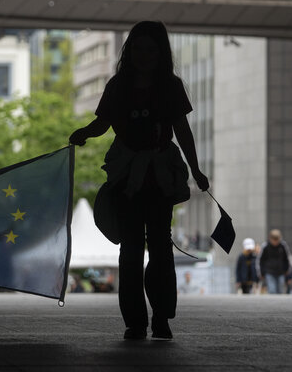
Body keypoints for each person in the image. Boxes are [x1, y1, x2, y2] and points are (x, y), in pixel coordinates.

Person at [69, 20, 209, 340]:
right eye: (138, 48)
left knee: (160, 248)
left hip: (158, 179)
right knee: (131, 250)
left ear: (160, 53)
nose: (143, 55)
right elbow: (102, 123)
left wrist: (197, 169)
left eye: (149, 49)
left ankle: (160, 316)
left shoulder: (171, 86)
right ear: (129, 51)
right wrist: (84, 135)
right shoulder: (118, 85)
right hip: (128, 180)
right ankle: (135, 321)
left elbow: (183, 131)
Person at [257, 229, 292, 294]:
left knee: (280, 290)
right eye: (274, 240)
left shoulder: (283, 246)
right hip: (269, 272)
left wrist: (287, 270)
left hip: (281, 272)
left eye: (277, 240)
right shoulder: (265, 246)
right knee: (272, 290)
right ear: (270, 239)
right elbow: (260, 260)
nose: (276, 242)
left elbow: (287, 259)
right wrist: (261, 272)